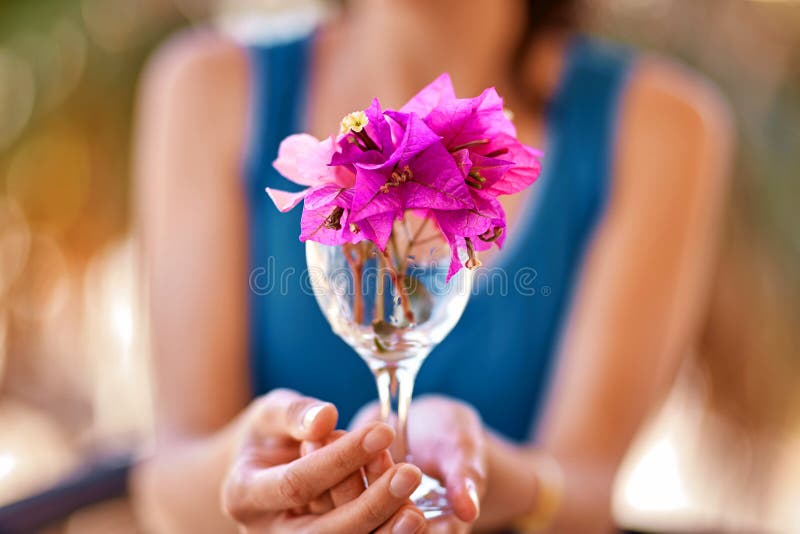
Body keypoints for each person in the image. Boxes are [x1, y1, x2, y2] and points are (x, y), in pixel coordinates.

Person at [131, 1, 733, 532]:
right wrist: (259, 471)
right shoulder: (208, 87)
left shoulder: (659, 126)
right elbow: (169, 484)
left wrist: (490, 481)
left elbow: (586, 487)